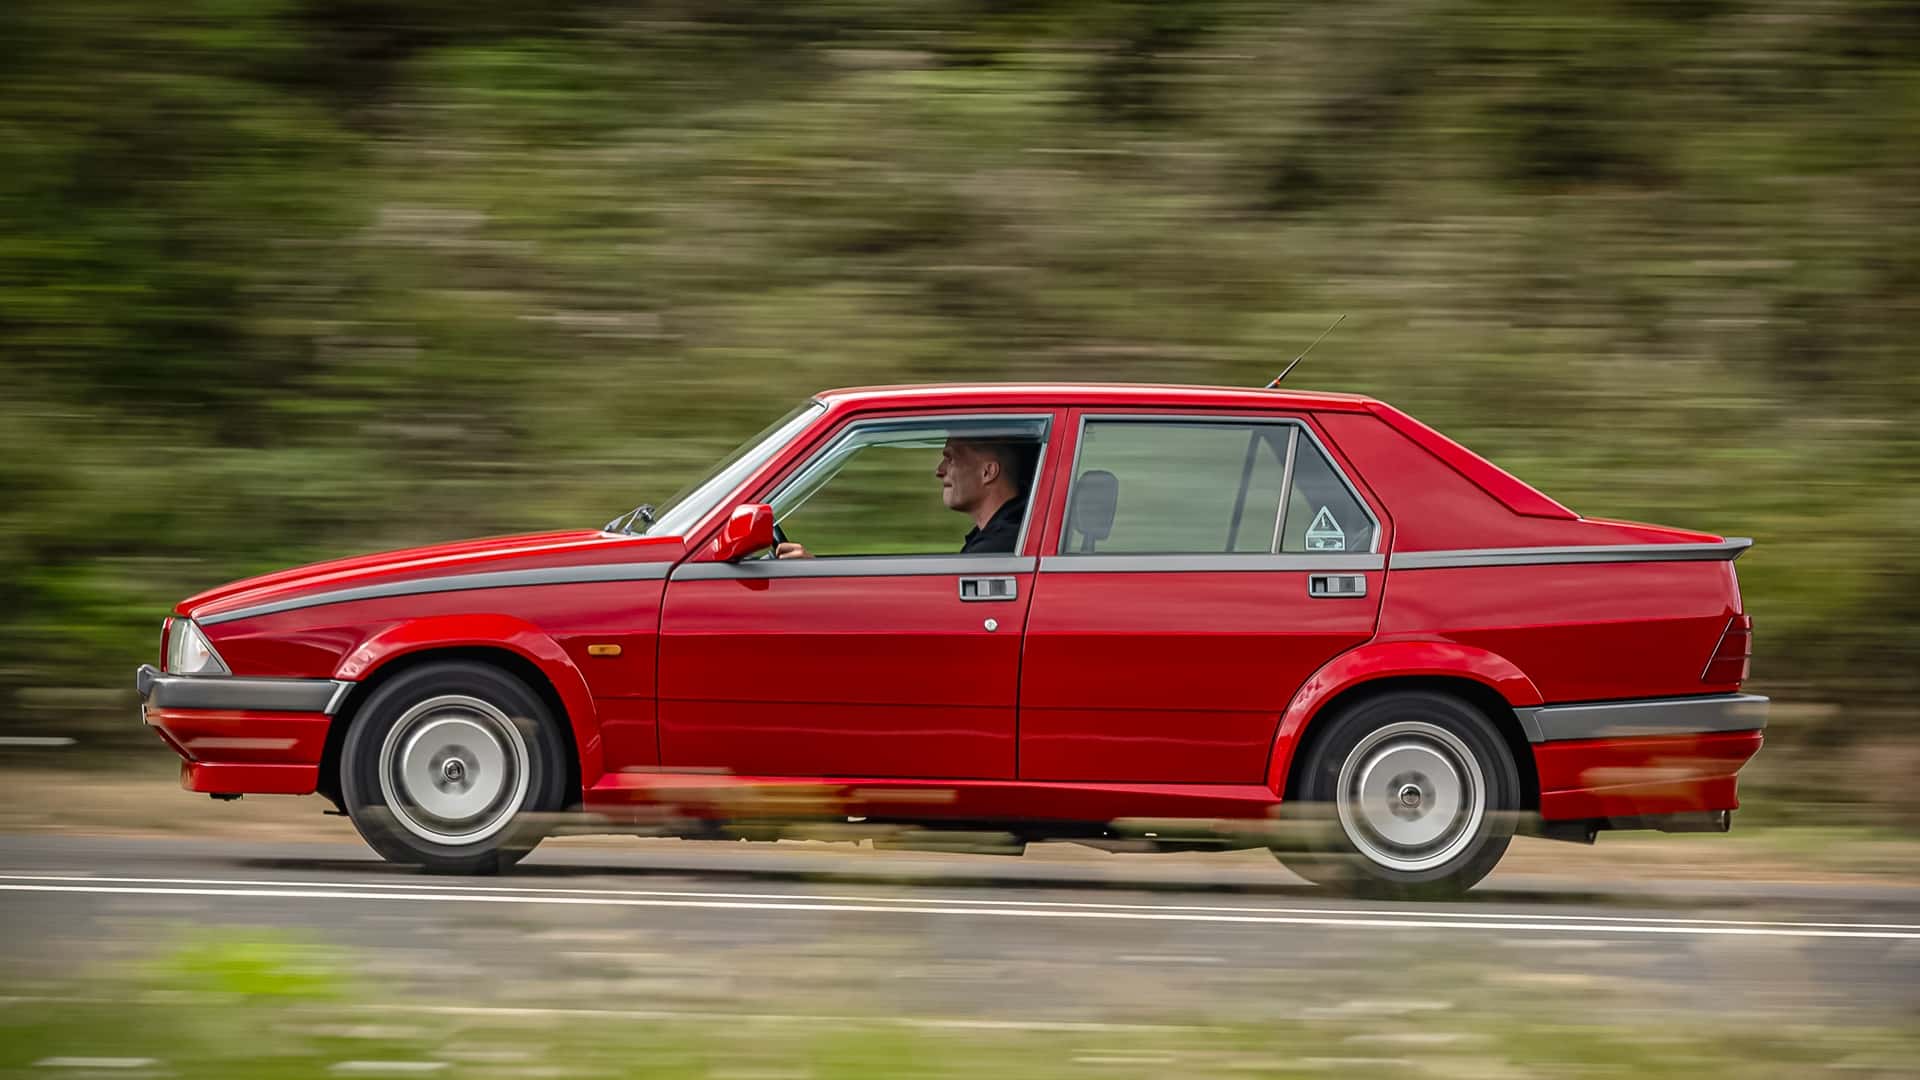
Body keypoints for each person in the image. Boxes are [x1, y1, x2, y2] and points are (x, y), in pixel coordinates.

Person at [776, 437, 1034, 558]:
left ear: (988, 472)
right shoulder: (1005, 538)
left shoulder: (998, 549)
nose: (939, 470)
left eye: (951, 458)